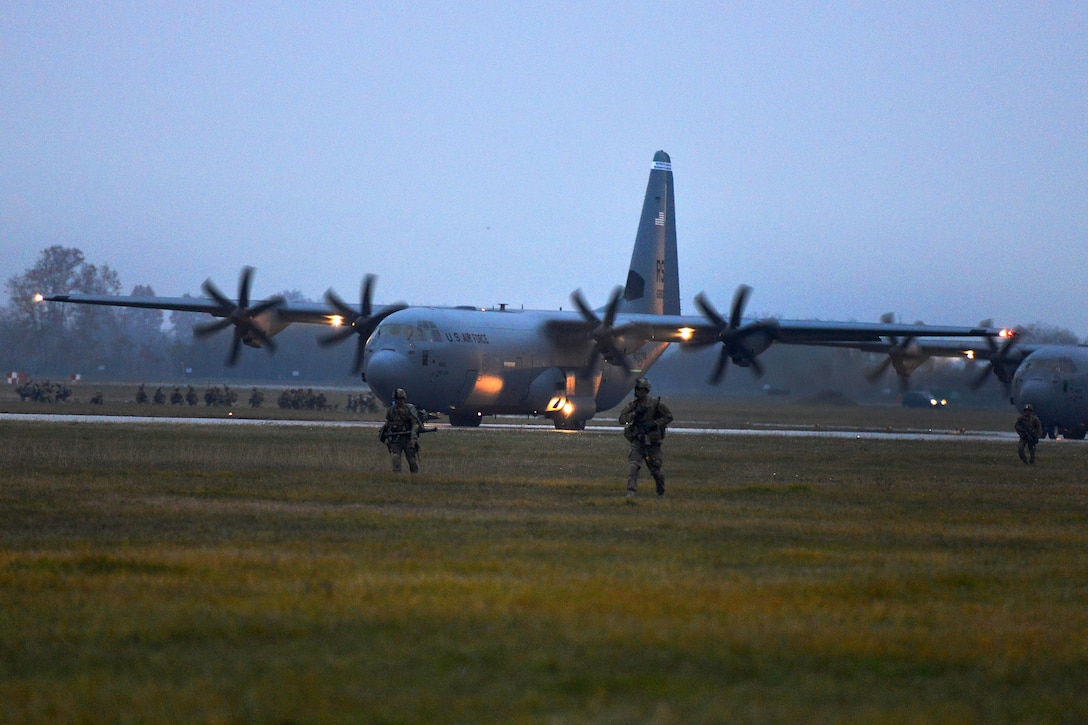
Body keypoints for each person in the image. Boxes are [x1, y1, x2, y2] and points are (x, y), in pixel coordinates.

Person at [618, 378, 674, 497]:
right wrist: (633, 415)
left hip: (652, 442)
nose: (637, 392)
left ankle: (661, 492)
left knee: (656, 470)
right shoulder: (633, 405)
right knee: (634, 466)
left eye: (640, 390)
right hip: (638, 441)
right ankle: (631, 491)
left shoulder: (655, 404)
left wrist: (655, 423)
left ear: (645, 391)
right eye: (637, 389)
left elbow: (669, 417)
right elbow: (622, 419)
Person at [380, 388, 425, 473]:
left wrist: (413, 437)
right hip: (395, 439)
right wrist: (386, 433)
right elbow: (388, 422)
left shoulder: (409, 409)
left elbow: (415, 423)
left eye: (400, 399)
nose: (398, 401)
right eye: (397, 399)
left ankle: (415, 476)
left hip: (407, 438)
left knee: (412, 460)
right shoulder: (391, 410)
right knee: (395, 458)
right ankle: (397, 477)